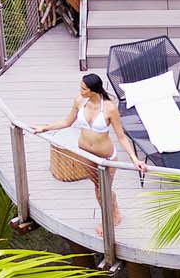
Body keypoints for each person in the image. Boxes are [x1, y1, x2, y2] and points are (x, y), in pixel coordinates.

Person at [35, 73, 145, 224]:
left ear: (94, 90)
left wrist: (134, 159)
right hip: (86, 155)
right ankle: (113, 212)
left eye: (84, 89)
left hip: (105, 158)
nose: (80, 91)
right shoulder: (79, 101)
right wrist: (44, 128)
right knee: (99, 189)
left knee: (102, 191)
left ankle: (111, 218)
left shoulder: (109, 108)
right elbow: (67, 122)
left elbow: (121, 137)